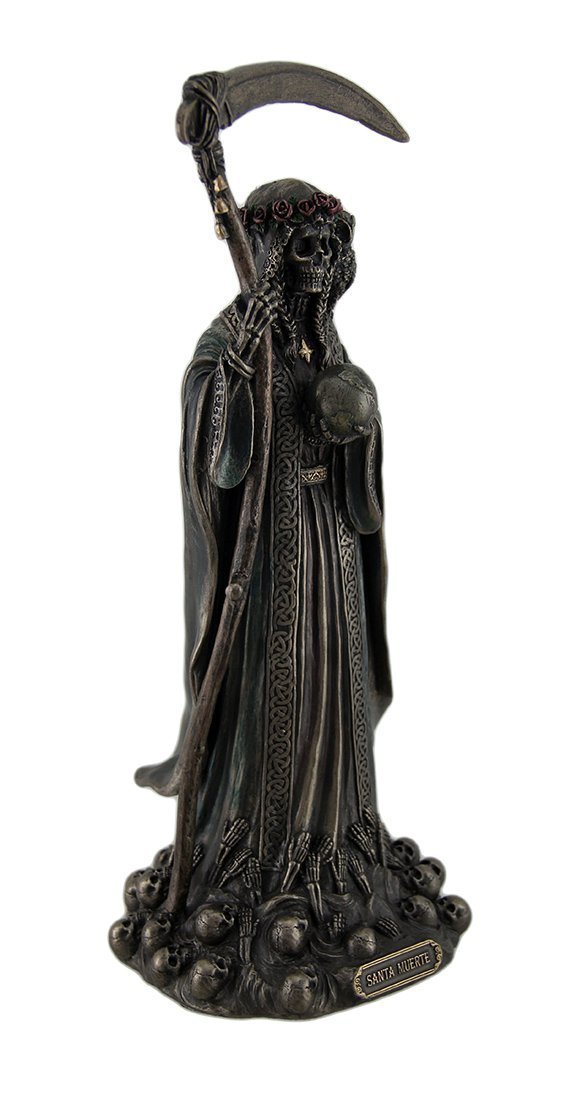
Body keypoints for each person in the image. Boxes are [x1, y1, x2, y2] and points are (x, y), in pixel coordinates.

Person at [135, 180, 392, 881]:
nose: (320, 262)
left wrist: (361, 424)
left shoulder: (324, 339)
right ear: (273, 251)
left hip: (331, 537)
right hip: (270, 549)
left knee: (331, 668)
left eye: (331, 248)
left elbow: (353, 435)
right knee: (277, 678)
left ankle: (337, 837)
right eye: (305, 246)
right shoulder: (232, 337)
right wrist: (236, 374)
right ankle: (258, 846)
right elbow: (218, 457)